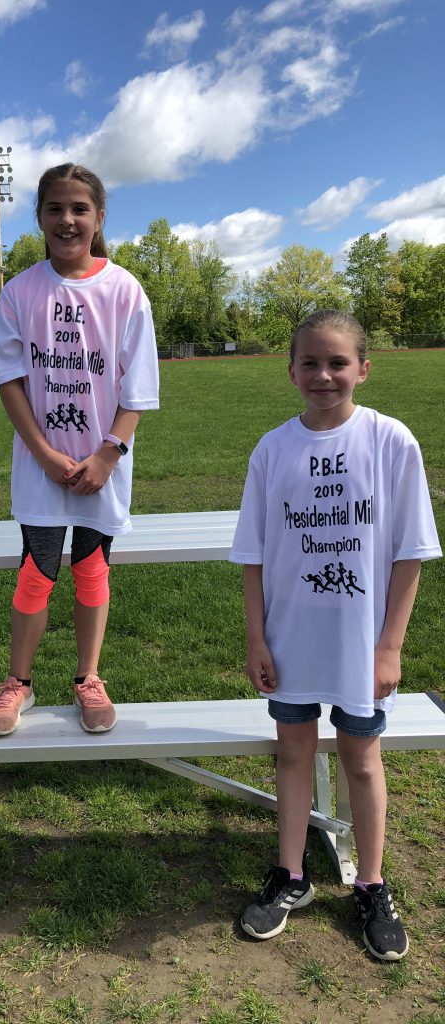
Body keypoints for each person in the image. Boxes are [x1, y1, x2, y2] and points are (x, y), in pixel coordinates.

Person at [229, 309, 441, 960]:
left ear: (364, 369)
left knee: (361, 761)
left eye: (338, 362)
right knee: (293, 754)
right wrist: (257, 639)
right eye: (311, 363)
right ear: (291, 371)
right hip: (291, 642)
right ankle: (291, 875)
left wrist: (389, 647)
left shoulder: (391, 442)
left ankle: (370, 884)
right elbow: (254, 556)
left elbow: (410, 552)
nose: (325, 374)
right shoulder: (273, 449)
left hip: (360, 647)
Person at [0, 163, 159, 736]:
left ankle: (88, 678)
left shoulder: (125, 290)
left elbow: (138, 388)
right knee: (37, 570)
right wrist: (41, 453)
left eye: (79, 209)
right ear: (38, 217)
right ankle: (19, 683)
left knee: (91, 567)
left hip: (103, 467)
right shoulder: (19, 291)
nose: (67, 219)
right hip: (42, 469)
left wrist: (108, 454)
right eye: (55, 208)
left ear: (99, 217)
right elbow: (10, 381)